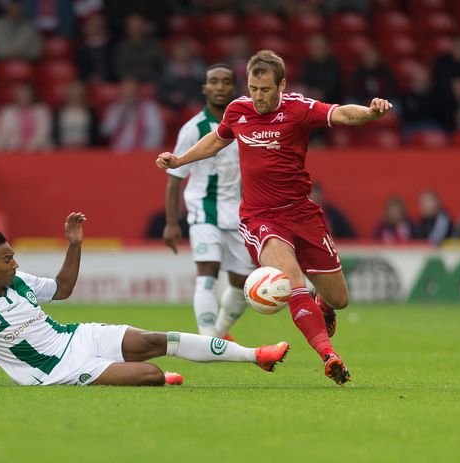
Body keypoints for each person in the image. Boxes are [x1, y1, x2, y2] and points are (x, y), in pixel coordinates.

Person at [156, 49, 394, 386]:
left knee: (339, 298)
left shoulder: (298, 109)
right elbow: (217, 140)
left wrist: (370, 113)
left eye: (265, 90)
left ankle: (321, 306)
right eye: (253, 88)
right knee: (292, 279)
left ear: (281, 85)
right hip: (261, 218)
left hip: (302, 213)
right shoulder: (238, 110)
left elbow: (341, 114)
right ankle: (328, 354)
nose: (258, 96)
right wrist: (181, 161)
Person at [0, 213, 289, 387]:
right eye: (7, 259)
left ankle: (257, 355)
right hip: (60, 369)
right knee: (152, 374)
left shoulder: (19, 284)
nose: (14, 263)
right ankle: (155, 378)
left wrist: (74, 244)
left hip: (78, 337)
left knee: (158, 338)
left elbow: (63, 290)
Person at [163, 64, 255, 340]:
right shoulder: (194, 129)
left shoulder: (247, 124)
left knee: (242, 283)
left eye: (225, 82)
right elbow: (175, 176)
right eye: (213, 82)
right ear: (204, 88)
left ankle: (219, 332)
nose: (219, 87)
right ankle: (206, 339)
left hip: (240, 215)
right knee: (207, 271)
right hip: (204, 212)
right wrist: (171, 223)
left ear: (233, 88)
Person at [0, 84, 54, 151]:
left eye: (26, 95)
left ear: (32, 96)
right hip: (12, 150)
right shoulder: (7, 112)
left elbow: (42, 134)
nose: (23, 97)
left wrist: (29, 148)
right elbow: (0, 134)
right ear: (15, 96)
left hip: (39, 150)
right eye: (20, 95)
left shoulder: (42, 110)